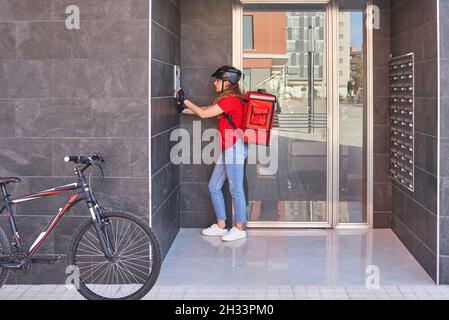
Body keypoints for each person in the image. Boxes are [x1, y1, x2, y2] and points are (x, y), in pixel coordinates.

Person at [177, 66, 248, 242]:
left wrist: (184, 100)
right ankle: (221, 225)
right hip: (229, 148)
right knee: (214, 186)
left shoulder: (231, 100)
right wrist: (182, 109)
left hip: (235, 148)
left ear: (227, 83)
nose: (214, 83)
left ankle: (240, 228)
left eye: (217, 80)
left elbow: (203, 113)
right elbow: (206, 109)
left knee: (236, 188)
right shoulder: (227, 99)